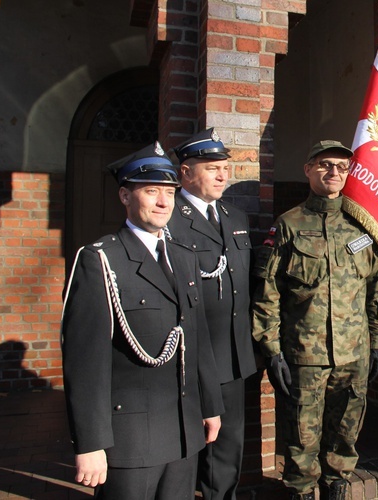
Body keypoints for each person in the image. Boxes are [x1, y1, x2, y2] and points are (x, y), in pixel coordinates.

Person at [61, 142, 224, 499]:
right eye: (152, 192)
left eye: (169, 192)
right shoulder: (100, 261)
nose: (164, 203)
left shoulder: (183, 257)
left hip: (184, 430)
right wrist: (89, 443)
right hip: (130, 439)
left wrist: (210, 405)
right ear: (124, 196)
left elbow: (197, 340)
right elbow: (85, 362)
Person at [250, 140, 378, 500]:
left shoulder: (362, 225)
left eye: (342, 167)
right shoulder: (289, 225)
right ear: (308, 169)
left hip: (354, 355)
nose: (333, 172)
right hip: (304, 356)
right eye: (325, 165)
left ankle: (336, 490)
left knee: (345, 438)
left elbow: (375, 290)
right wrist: (272, 351)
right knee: (301, 441)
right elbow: (268, 293)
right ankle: (299, 493)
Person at [166, 128, 257, 500]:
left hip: (233, 355)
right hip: (189, 357)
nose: (222, 176)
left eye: (224, 168)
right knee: (186, 448)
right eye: (212, 168)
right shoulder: (169, 217)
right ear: (186, 173)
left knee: (228, 449)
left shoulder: (236, 216)